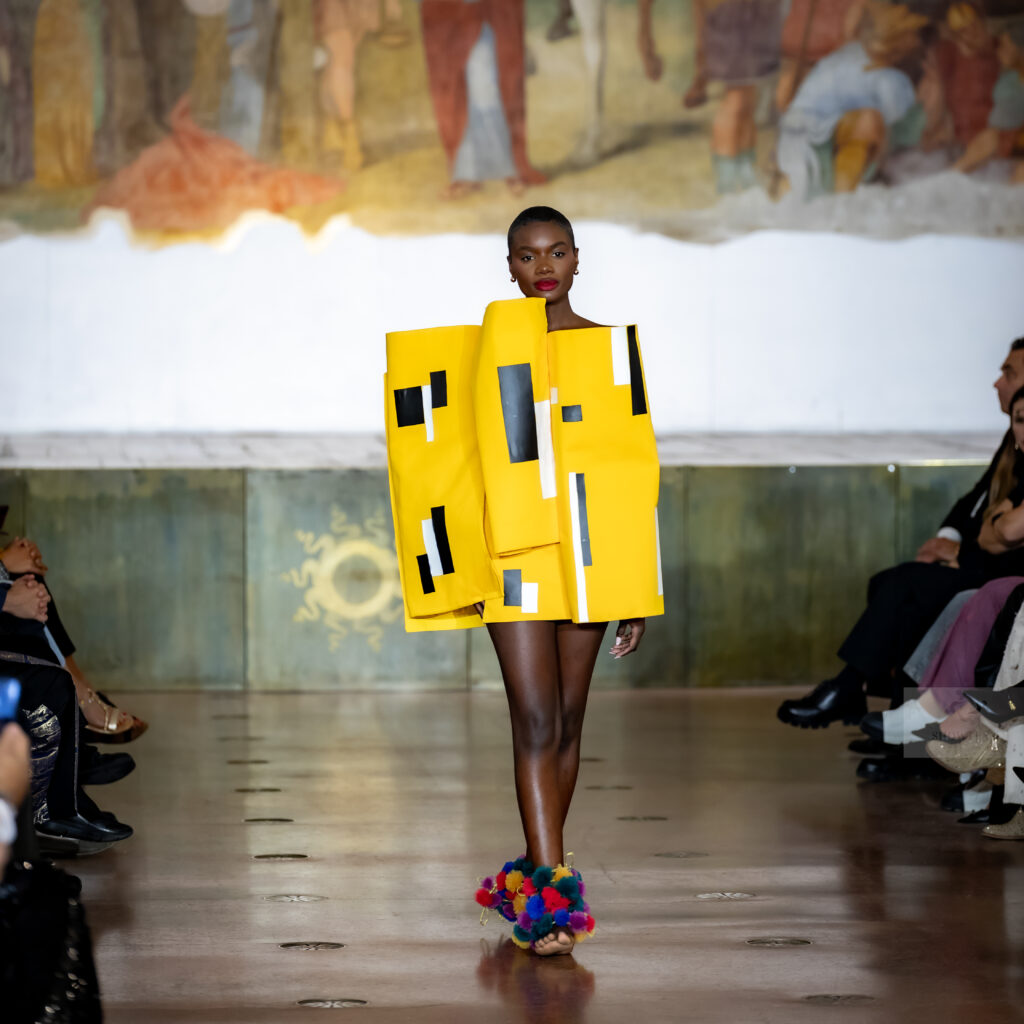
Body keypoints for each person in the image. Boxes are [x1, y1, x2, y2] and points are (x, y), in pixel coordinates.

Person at [385, 206, 662, 955]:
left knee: (568, 723)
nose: (544, 267)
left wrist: (632, 585)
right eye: (528, 255)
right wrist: (456, 559)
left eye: (557, 252)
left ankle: (538, 873)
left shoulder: (609, 351)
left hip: (587, 555)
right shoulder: (479, 356)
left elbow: (631, 474)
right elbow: (444, 458)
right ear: (508, 266)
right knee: (536, 721)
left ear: (577, 259)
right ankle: (552, 902)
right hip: (511, 558)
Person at [778, 337, 1024, 730]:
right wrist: (952, 538)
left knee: (905, 585)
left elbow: (1005, 532)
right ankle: (891, 730)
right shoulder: (1012, 438)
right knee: (895, 589)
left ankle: (851, 692)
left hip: (996, 573)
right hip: (981, 563)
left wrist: (966, 550)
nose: (997, 382)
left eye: (1008, 373)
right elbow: (977, 506)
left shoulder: (1021, 438)